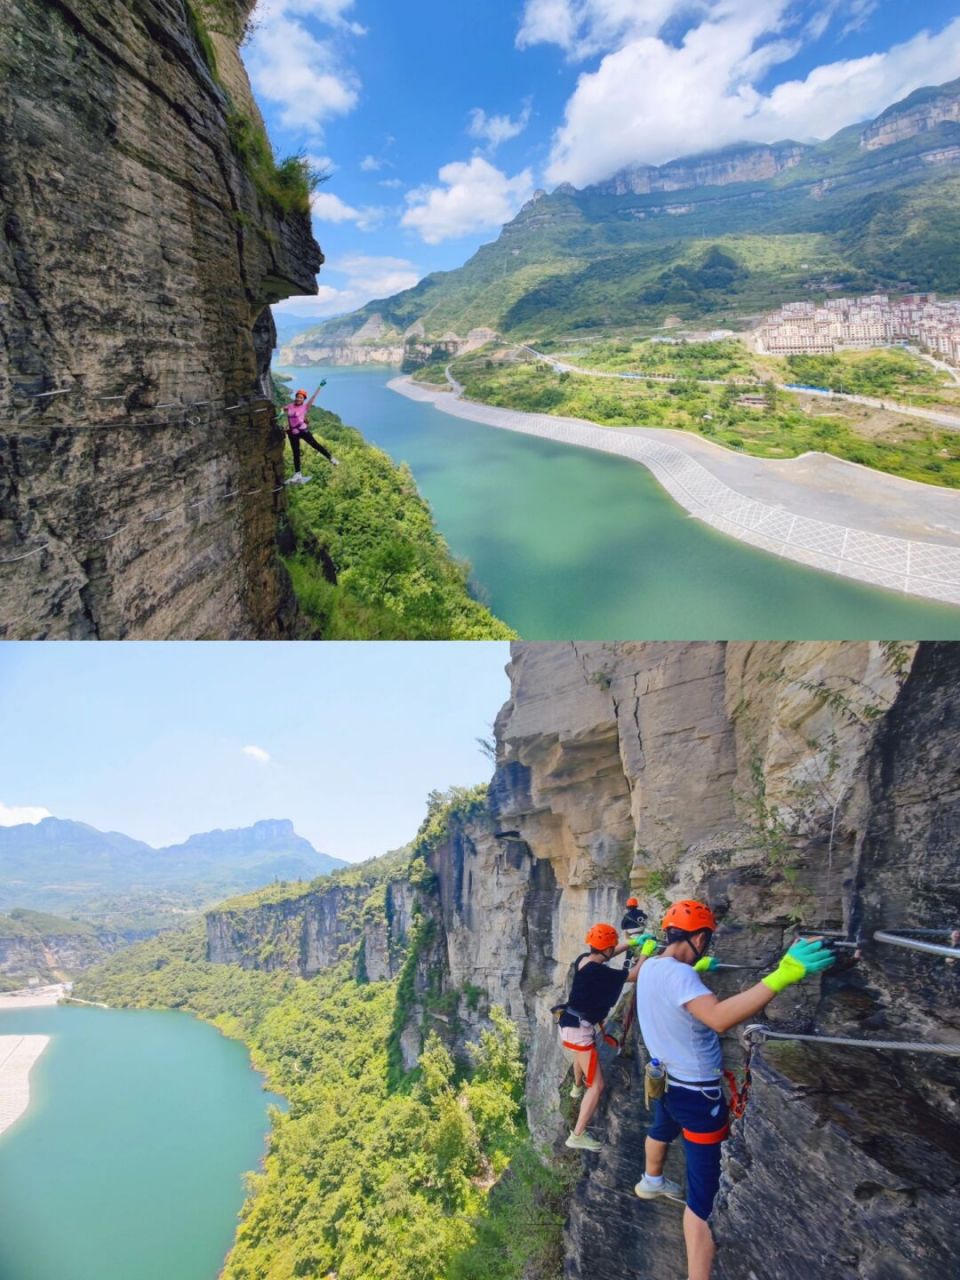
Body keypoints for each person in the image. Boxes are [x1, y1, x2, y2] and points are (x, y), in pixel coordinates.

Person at [633, 899, 835, 1280]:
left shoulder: (651, 968)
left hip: (664, 1084)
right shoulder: (681, 976)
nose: (707, 951)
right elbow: (720, 1018)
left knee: (662, 1127)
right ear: (700, 937)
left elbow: (671, 992)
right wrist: (782, 974)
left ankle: (651, 1179)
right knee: (702, 1198)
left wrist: (696, 973)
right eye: (706, 943)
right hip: (698, 1097)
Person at [559, 923, 649, 1151]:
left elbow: (609, 951)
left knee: (580, 1055)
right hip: (580, 1029)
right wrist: (646, 952)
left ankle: (577, 1087)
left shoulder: (584, 960)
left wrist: (630, 943)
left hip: (568, 1022)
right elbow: (635, 974)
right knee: (597, 1086)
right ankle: (577, 1135)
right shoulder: (599, 972)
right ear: (606, 948)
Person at [281, 384, 339, 484]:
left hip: (303, 431)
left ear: (303, 399)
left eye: (301, 397)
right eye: (298, 397)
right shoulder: (290, 406)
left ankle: (331, 458)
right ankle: (298, 473)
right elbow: (283, 409)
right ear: (296, 397)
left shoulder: (305, 407)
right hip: (292, 432)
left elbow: (313, 398)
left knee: (316, 445)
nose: (299, 399)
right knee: (296, 453)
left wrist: (319, 387)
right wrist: (281, 413)